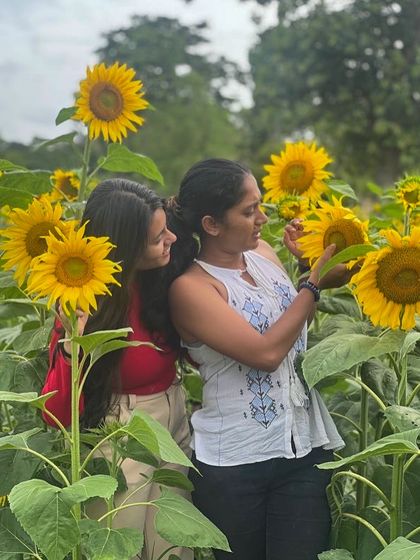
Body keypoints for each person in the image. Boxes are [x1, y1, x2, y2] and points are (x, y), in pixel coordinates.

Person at [165, 159, 350, 560]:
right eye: (249, 212)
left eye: (260, 206)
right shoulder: (192, 288)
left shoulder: (264, 253)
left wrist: (307, 265)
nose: (262, 218)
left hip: (302, 448)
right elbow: (266, 353)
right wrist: (312, 283)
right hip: (235, 463)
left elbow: (292, 326)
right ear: (212, 224)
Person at [41, 178, 193, 560]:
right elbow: (55, 411)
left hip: (173, 417)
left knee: (173, 548)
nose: (170, 239)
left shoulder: (162, 276)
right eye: (158, 237)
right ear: (125, 249)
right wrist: (74, 348)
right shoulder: (85, 301)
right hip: (120, 428)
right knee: (118, 544)